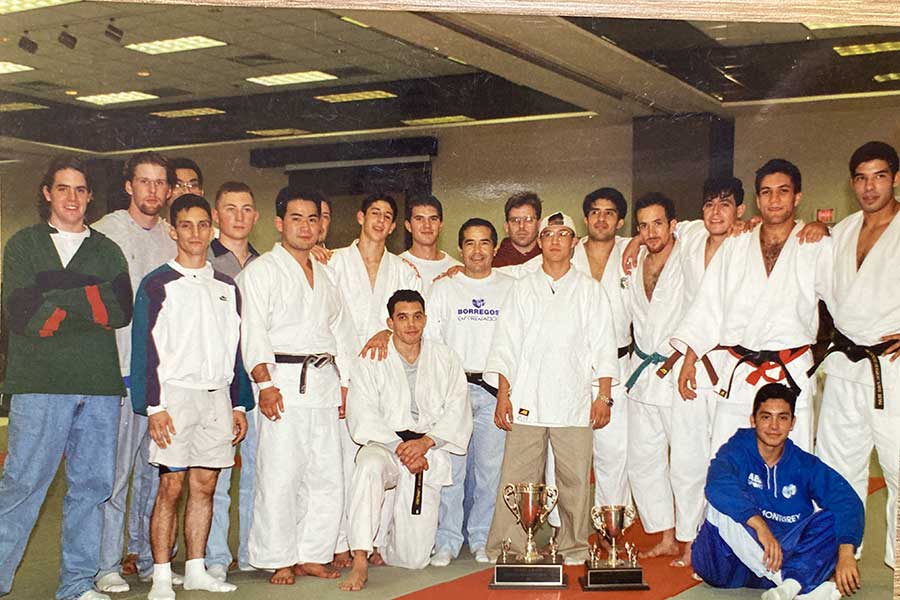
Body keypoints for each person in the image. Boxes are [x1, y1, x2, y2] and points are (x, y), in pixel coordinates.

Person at [0, 156, 133, 600]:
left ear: (90, 196)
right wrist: (88, 299)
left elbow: (119, 311)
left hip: (98, 387)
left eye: (80, 190)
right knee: (22, 485)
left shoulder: (108, 250)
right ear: (47, 193)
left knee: (92, 489)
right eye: (63, 189)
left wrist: (54, 294)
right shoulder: (22, 245)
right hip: (39, 386)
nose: (72, 198)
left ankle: (76, 585)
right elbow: (24, 315)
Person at [130, 194, 253, 600]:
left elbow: (235, 348)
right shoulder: (157, 283)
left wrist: (237, 403)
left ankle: (197, 569)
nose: (196, 233)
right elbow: (144, 349)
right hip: (175, 398)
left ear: (212, 229)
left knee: (206, 486)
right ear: (173, 230)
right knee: (171, 487)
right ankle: (163, 575)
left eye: (203, 225)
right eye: (186, 225)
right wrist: (154, 407)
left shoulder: (227, 287)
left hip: (216, 397)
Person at [672, 159, 833, 453]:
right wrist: (689, 358)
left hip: (790, 371)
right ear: (757, 199)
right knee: (728, 462)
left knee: (792, 469)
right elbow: (710, 303)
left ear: (797, 197)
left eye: (783, 191)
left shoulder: (815, 244)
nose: (774, 200)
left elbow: (845, 299)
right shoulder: (736, 243)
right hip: (741, 372)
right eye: (766, 192)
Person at [484, 211, 618, 563]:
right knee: (516, 479)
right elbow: (505, 346)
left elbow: (604, 345)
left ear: (575, 242)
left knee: (575, 479)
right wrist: (502, 395)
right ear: (540, 242)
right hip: (526, 398)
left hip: (574, 400)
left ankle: (573, 546)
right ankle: (508, 547)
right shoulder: (522, 288)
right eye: (549, 234)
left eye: (563, 234)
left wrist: (603, 396)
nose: (555, 240)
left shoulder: (590, 291)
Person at [239, 187, 355, 584]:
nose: (306, 227)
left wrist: (346, 381)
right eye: (296, 218)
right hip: (283, 381)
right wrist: (265, 382)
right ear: (278, 223)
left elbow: (341, 329)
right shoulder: (260, 273)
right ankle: (279, 556)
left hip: (323, 381)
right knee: (280, 474)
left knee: (325, 474)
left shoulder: (325, 274)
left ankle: (312, 552)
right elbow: (251, 331)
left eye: (313, 219)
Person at [339, 290, 472, 592]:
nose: (411, 324)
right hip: (386, 446)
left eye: (417, 316)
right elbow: (362, 412)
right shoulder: (372, 358)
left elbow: (457, 408)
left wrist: (425, 444)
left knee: (413, 559)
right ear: (390, 322)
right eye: (402, 317)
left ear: (425, 319)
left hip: (426, 451)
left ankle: (383, 543)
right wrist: (401, 448)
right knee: (369, 466)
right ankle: (360, 555)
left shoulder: (445, 357)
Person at [692, 383, 864, 600]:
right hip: (726, 566)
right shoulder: (735, 450)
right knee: (720, 504)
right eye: (766, 417)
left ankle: (790, 586)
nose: (774, 426)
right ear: (753, 420)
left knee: (832, 518)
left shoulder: (804, 463)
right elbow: (718, 484)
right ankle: (795, 587)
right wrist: (760, 525)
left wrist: (846, 553)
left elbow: (846, 500)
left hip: (780, 556)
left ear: (792, 423)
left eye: (782, 418)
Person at [94, 152, 178, 593]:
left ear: (168, 190)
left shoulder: (171, 237)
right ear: (129, 186)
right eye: (143, 182)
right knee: (116, 475)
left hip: (162, 379)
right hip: (122, 375)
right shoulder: (106, 233)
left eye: (159, 183)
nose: (151, 191)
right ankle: (105, 562)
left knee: (155, 473)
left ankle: (148, 557)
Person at [814, 140, 900, 568]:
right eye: (862, 178)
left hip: (893, 370)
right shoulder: (843, 230)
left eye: (879, 176)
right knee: (836, 469)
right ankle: (838, 560)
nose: (870, 187)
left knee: (899, 470)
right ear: (852, 184)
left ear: (896, 179)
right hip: (846, 366)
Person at [327, 193, 422, 567]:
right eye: (374, 214)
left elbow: (412, 320)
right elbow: (328, 322)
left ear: (395, 225)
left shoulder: (402, 270)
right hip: (341, 375)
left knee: (378, 459)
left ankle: (373, 541)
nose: (381, 221)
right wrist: (342, 379)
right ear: (360, 217)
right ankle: (338, 542)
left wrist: (387, 331)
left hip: (387, 381)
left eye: (388, 216)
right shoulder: (333, 262)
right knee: (341, 463)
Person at [622, 193, 711, 566]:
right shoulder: (634, 261)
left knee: (688, 460)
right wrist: (634, 243)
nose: (650, 231)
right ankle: (665, 534)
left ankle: (692, 540)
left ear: (674, 224)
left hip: (679, 372)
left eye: (658, 223)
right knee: (643, 459)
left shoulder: (689, 251)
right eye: (642, 226)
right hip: (642, 375)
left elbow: (709, 225)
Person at [425, 219, 515, 566]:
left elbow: (514, 343)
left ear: (495, 248)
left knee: (490, 470)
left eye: (484, 243)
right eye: (470, 243)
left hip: (494, 390)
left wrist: (507, 391)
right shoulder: (444, 289)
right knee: (452, 470)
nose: (477, 251)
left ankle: (481, 537)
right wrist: (443, 394)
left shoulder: (510, 287)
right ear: (460, 248)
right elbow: (432, 345)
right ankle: (447, 540)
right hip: (454, 391)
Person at [205, 181, 260, 580]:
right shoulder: (201, 261)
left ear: (256, 217)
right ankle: (215, 557)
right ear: (216, 216)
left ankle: (253, 551)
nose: (239, 217)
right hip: (218, 381)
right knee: (218, 475)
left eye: (246, 209)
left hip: (259, 380)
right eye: (230, 209)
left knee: (258, 471)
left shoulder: (269, 263)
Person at [399, 195, 461, 295]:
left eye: (433, 219)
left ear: (440, 225)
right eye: (419, 219)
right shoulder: (397, 266)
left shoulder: (456, 269)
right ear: (408, 226)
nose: (427, 225)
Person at [492, 191, 543, 267]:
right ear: (506, 226)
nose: (521, 226)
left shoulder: (550, 257)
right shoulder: (492, 261)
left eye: (528, 220)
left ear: (539, 224)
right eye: (515, 220)